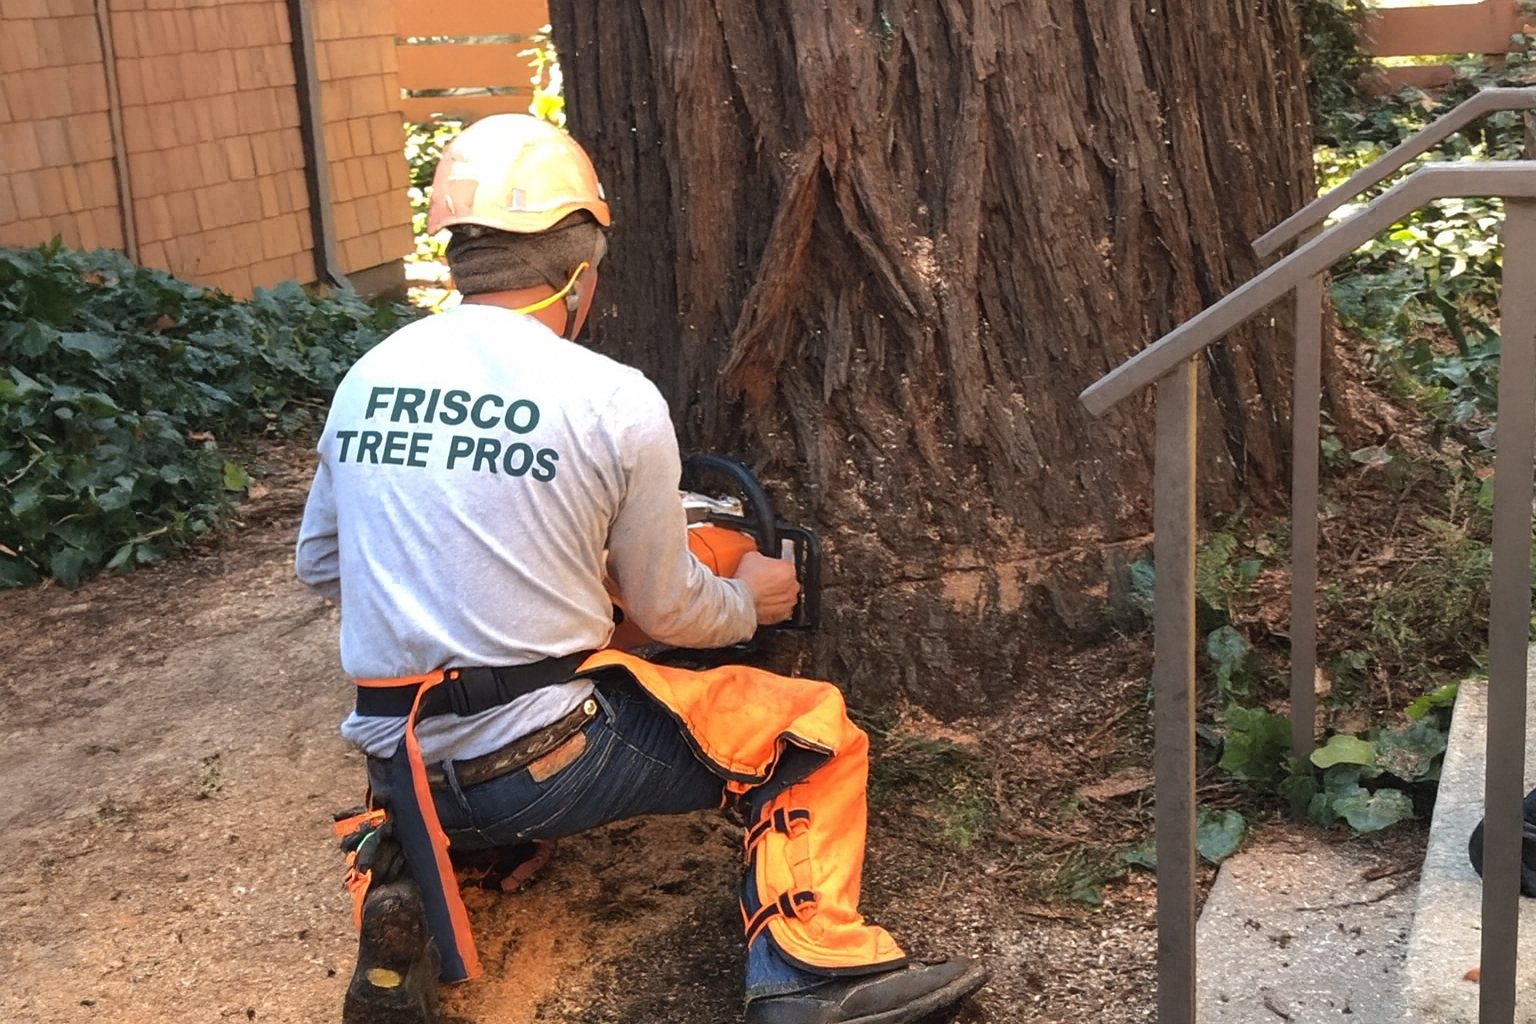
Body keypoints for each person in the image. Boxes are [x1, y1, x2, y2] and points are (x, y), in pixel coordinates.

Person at [295, 112, 988, 1024]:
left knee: (473, 767)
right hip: (548, 759)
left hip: (403, 767)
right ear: (581, 271)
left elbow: (320, 564)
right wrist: (750, 598)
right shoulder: (609, 397)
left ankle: (422, 897)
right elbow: (673, 613)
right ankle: (808, 974)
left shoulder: (368, 377)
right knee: (810, 731)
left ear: (459, 255)